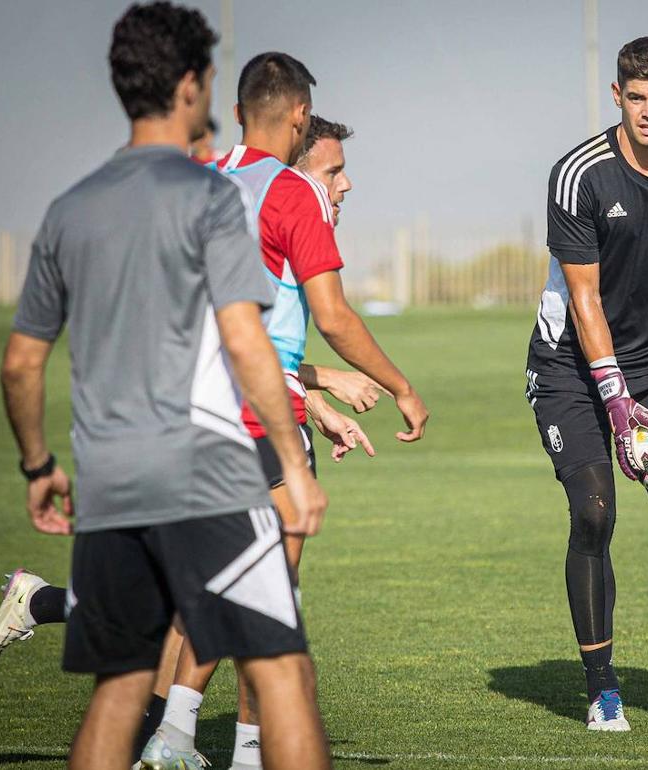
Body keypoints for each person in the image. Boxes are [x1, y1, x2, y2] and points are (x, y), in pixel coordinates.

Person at [0, 4, 332, 769]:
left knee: (119, 690)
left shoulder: (69, 210)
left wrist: (38, 465)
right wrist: (293, 461)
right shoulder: (211, 196)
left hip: (109, 481)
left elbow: (20, 363)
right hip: (208, 471)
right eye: (209, 76)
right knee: (283, 674)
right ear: (188, 85)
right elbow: (244, 338)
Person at [140, 55, 430, 769]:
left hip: (184, 416)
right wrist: (399, 385)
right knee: (269, 594)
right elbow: (333, 316)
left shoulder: (199, 179)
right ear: (301, 115)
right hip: (257, 422)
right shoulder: (293, 193)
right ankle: (209, 745)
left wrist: (316, 393)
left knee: (229, 582)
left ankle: (194, 738)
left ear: (240, 111)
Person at [524, 36, 648, 731]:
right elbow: (584, 300)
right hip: (568, 368)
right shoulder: (578, 173)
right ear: (617, 96)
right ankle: (603, 688)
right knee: (595, 513)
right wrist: (614, 401)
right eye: (636, 97)